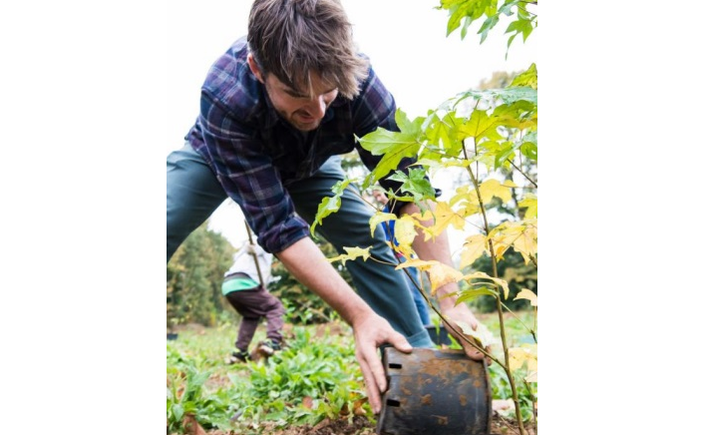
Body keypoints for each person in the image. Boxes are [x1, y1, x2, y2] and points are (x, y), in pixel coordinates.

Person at [166, 0, 486, 414]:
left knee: (368, 236)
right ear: (257, 68)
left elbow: (411, 189)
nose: (316, 111)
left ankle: (416, 358)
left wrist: (451, 299)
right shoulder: (225, 96)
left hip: (310, 165)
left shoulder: (360, 81)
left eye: (327, 93)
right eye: (297, 94)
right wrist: (357, 315)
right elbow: (279, 226)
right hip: (215, 157)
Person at [371, 189, 432, 326]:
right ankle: (413, 327)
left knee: (414, 294)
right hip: (390, 258)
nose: (378, 198)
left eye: (379, 195)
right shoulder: (379, 214)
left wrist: (386, 201)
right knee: (402, 296)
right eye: (375, 196)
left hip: (403, 256)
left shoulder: (395, 210)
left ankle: (426, 326)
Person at [222, 241, 285, 364]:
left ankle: (239, 352)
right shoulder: (265, 238)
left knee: (251, 315)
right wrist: (252, 247)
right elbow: (255, 246)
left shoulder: (242, 256)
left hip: (229, 284)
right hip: (244, 282)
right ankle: (273, 341)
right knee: (274, 307)